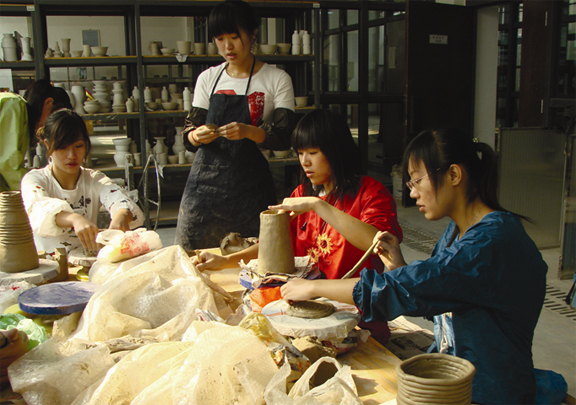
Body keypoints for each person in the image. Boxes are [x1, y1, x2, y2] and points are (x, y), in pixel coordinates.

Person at [280, 128, 549, 404]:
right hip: (454, 377)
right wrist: (399, 266)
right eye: (410, 183)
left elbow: (398, 288)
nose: (411, 193)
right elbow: (436, 293)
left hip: (489, 391)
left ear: (454, 175)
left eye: (417, 181)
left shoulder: (491, 242)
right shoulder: (457, 232)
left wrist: (313, 288)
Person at [193, 109, 402, 279]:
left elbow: (380, 243)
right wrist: (225, 261)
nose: (304, 162)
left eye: (312, 153)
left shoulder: (371, 193)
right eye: (300, 153)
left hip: (356, 301)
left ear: (337, 150)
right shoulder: (302, 193)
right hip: (306, 299)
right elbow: (274, 245)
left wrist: (317, 205)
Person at [175, 0, 298, 251]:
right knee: (194, 254)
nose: (227, 46)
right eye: (220, 39)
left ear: (253, 34)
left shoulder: (276, 79)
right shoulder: (208, 78)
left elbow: (286, 137)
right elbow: (188, 136)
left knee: (255, 253)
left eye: (234, 37)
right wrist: (197, 136)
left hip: (249, 186)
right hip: (205, 187)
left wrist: (249, 132)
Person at [21, 109, 144, 255]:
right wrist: (74, 219)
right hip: (49, 263)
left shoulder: (94, 179)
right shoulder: (35, 179)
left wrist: (122, 214)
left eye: (78, 146)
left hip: (87, 260)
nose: (72, 155)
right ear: (48, 145)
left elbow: (117, 197)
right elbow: (38, 211)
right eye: (63, 147)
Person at [0, 79, 72, 192]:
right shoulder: (13, 104)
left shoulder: (21, 114)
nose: (49, 126)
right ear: (48, 102)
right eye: (52, 118)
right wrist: (38, 190)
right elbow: (8, 165)